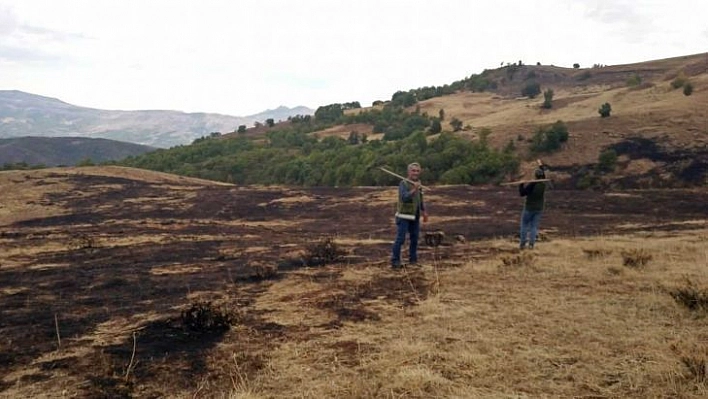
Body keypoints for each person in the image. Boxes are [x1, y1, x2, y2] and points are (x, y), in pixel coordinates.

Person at [391, 162, 428, 269]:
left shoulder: (419, 184)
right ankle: (395, 261)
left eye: (417, 171)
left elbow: (420, 199)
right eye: (413, 170)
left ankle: (413, 260)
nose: (415, 173)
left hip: (415, 216)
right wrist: (414, 189)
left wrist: (424, 211)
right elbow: (404, 197)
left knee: (414, 238)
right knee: (400, 239)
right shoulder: (403, 183)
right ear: (408, 172)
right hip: (403, 216)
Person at [518, 167, 548, 249]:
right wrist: (541, 167)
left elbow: (522, 193)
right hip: (539, 208)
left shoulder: (532, 184)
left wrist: (521, 184)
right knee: (533, 227)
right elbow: (544, 176)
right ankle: (531, 244)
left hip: (529, 208)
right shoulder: (543, 184)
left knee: (524, 225)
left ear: (535, 176)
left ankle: (522, 244)